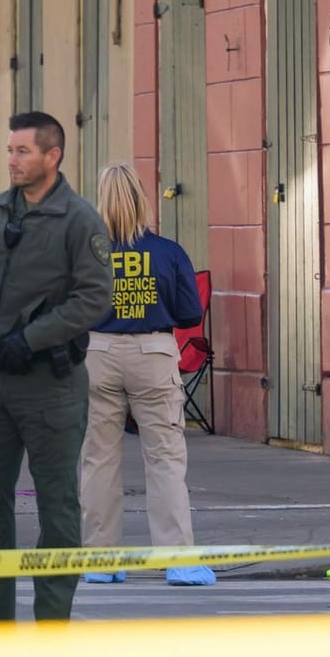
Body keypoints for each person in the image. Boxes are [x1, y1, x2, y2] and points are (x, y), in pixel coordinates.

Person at [0, 111, 113, 623]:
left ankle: (52, 620)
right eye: (10, 150)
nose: (12, 161)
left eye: (23, 151)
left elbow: (94, 299)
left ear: (52, 156)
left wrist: (31, 338)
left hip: (51, 384)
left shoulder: (79, 220)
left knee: (57, 504)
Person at [77, 163, 213, 588]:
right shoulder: (168, 252)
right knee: (165, 458)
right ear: (143, 198)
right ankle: (178, 560)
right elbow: (191, 312)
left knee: (98, 460)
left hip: (97, 352)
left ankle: (101, 559)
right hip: (153, 354)